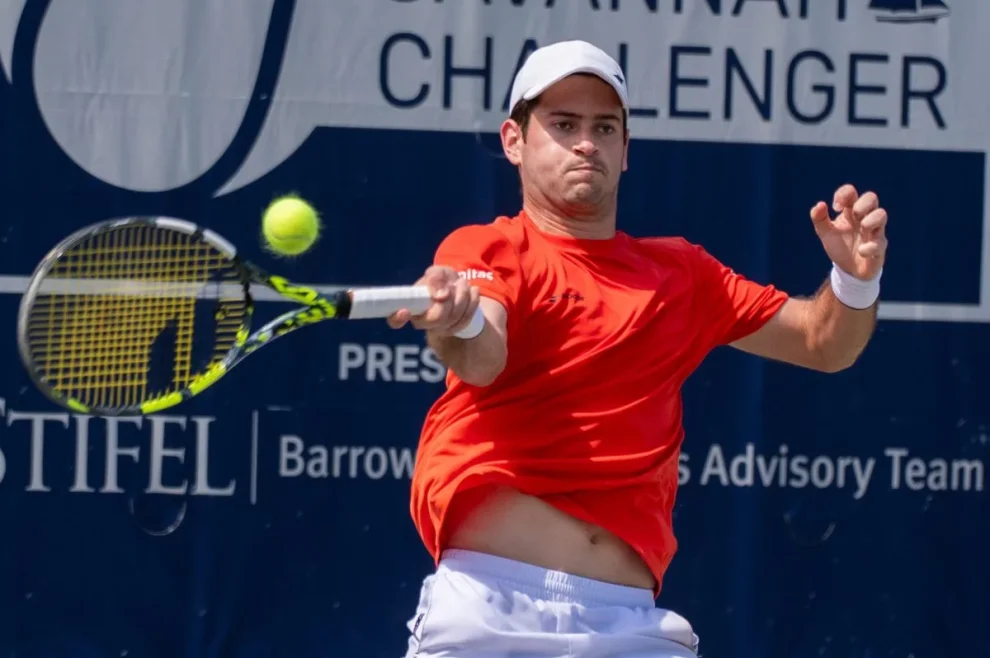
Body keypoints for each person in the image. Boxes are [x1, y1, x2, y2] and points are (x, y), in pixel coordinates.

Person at [388, 39, 887, 658]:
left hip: (629, 623)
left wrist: (854, 282)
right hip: (490, 609)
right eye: (563, 125)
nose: (586, 143)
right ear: (514, 141)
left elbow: (826, 344)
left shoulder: (683, 274)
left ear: (625, 150)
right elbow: (483, 357)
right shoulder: (486, 248)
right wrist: (460, 321)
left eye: (604, 127)